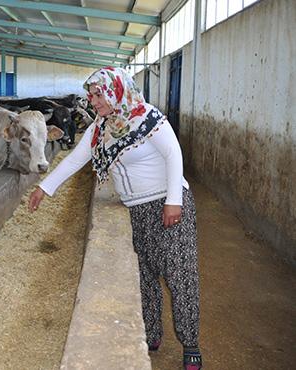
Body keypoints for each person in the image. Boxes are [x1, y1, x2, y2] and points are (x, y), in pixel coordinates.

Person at [28, 67, 203, 370]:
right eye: (91, 95)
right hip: (136, 209)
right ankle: (150, 333)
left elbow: (174, 154)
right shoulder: (101, 127)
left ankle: (190, 344)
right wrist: (45, 188)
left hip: (168, 203)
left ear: (116, 91)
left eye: (97, 95)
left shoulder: (146, 116)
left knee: (179, 274)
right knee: (145, 274)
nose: (93, 101)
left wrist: (173, 201)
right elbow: (76, 159)